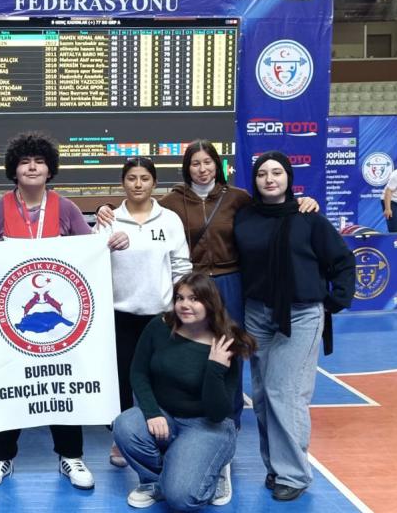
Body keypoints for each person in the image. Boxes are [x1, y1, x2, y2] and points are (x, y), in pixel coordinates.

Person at [98, 141, 319, 430]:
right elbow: (140, 210)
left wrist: (301, 202)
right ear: (186, 168)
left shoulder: (238, 198)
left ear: (217, 164)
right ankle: (178, 414)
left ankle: (229, 416)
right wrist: (105, 209)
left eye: (207, 162)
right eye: (195, 163)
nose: (202, 169)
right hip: (193, 286)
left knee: (229, 346)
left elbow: (270, 208)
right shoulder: (172, 203)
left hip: (230, 282)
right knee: (189, 349)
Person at [0, 131, 128, 490]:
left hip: (61, 327)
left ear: (50, 169)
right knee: (9, 382)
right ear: (13, 170)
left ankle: (71, 456)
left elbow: (90, 249)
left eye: (39, 162)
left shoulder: (66, 208)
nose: (32, 167)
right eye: (24, 162)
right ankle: (0, 458)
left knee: (63, 385)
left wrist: (112, 243)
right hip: (13, 321)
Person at [234, 151, 355, 501]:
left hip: (300, 314)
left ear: (288, 177)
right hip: (258, 313)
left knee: (284, 391)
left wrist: (333, 301)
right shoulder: (245, 217)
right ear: (254, 180)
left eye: (276, 172)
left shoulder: (309, 217)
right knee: (261, 395)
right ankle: (276, 467)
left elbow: (343, 261)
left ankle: (294, 474)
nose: (269, 179)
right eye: (262, 174)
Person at [112, 272, 256, 510]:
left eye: (194, 299)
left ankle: (215, 467)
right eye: (180, 298)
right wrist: (152, 413)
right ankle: (154, 482)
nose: (184, 305)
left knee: (181, 499)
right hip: (166, 415)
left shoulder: (226, 343)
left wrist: (215, 368)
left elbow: (218, 413)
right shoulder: (159, 326)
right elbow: (138, 372)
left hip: (207, 425)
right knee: (125, 425)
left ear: (210, 303)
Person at [95, 156, 192, 468]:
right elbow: (92, 263)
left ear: (154, 183)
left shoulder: (169, 220)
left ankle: (163, 436)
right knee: (122, 380)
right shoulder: (108, 219)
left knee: (161, 378)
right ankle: (121, 439)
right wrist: (105, 245)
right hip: (119, 315)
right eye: (132, 178)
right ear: (123, 182)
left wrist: (179, 308)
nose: (138, 184)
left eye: (144, 178)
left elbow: (181, 266)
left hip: (160, 316)